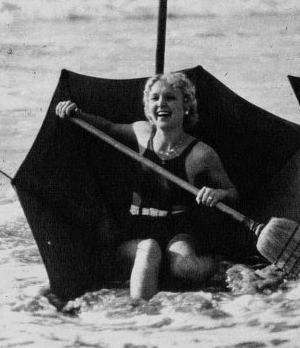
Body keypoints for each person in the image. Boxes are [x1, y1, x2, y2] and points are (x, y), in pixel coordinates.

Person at [55, 72, 239, 301]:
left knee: (186, 268)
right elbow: (108, 128)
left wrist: (217, 193)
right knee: (150, 249)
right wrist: (76, 113)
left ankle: (216, 264)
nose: (161, 103)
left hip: (178, 230)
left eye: (170, 97)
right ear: (147, 106)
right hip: (135, 229)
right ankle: (143, 319)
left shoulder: (201, 155)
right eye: (154, 98)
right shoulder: (142, 133)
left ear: (187, 105)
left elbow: (232, 193)